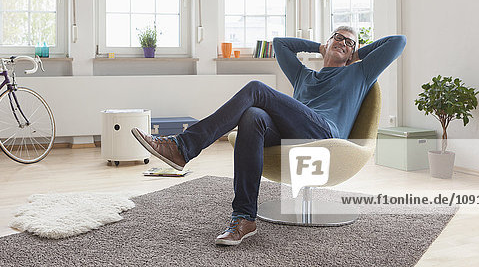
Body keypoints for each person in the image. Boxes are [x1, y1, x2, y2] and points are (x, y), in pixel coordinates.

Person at [132, 26, 406, 246]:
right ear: (326, 42)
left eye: (349, 42)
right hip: (294, 133)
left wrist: (354, 54)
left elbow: (398, 41)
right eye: (337, 37)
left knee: (256, 89)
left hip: (325, 134)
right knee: (252, 116)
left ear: (353, 54)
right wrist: (320, 47)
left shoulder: (360, 72)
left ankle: (183, 146)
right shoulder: (304, 76)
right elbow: (280, 44)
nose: (343, 42)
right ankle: (243, 218)